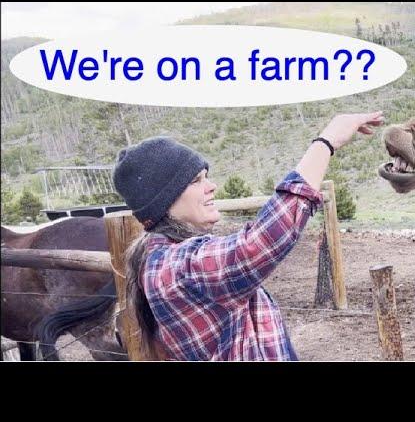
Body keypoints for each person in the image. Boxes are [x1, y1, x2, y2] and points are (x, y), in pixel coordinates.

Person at [112, 111, 383, 361]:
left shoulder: (163, 261)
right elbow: (258, 244)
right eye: (196, 181)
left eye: (207, 177)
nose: (211, 186)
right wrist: (327, 141)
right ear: (164, 201)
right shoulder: (176, 268)